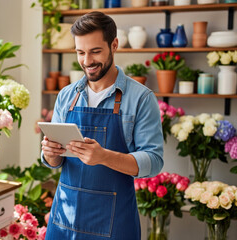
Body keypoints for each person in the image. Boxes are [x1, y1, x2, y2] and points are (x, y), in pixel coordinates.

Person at [41, 12, 164, 240]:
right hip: (64, 220)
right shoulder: (67, 96)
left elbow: (154, 161)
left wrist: (104, 156)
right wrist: (51, 154)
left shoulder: (141, 98)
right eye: (80, 52)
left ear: (114, 45)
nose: (87, 61)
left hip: (114, 223)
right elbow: (55, 162)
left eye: (95, 51)